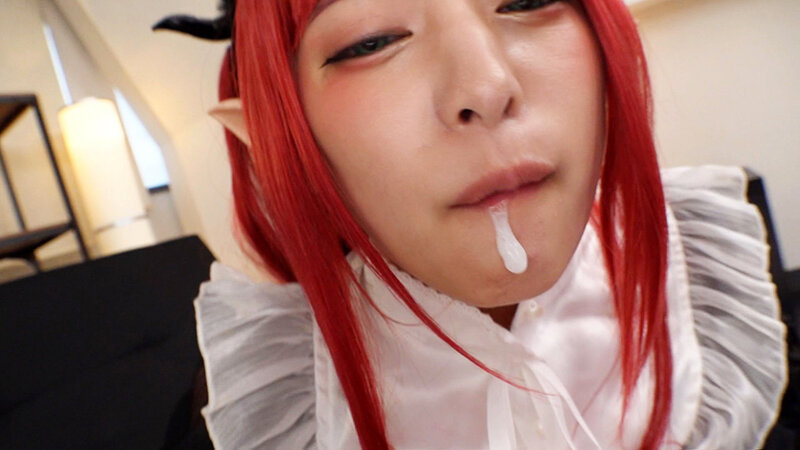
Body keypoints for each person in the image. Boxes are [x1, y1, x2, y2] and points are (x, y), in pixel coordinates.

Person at [155, 0, 787, 448]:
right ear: (268, 138)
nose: (486, 87)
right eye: (372, 41)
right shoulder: (270, 408)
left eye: (527, 0)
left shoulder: (719, 307)